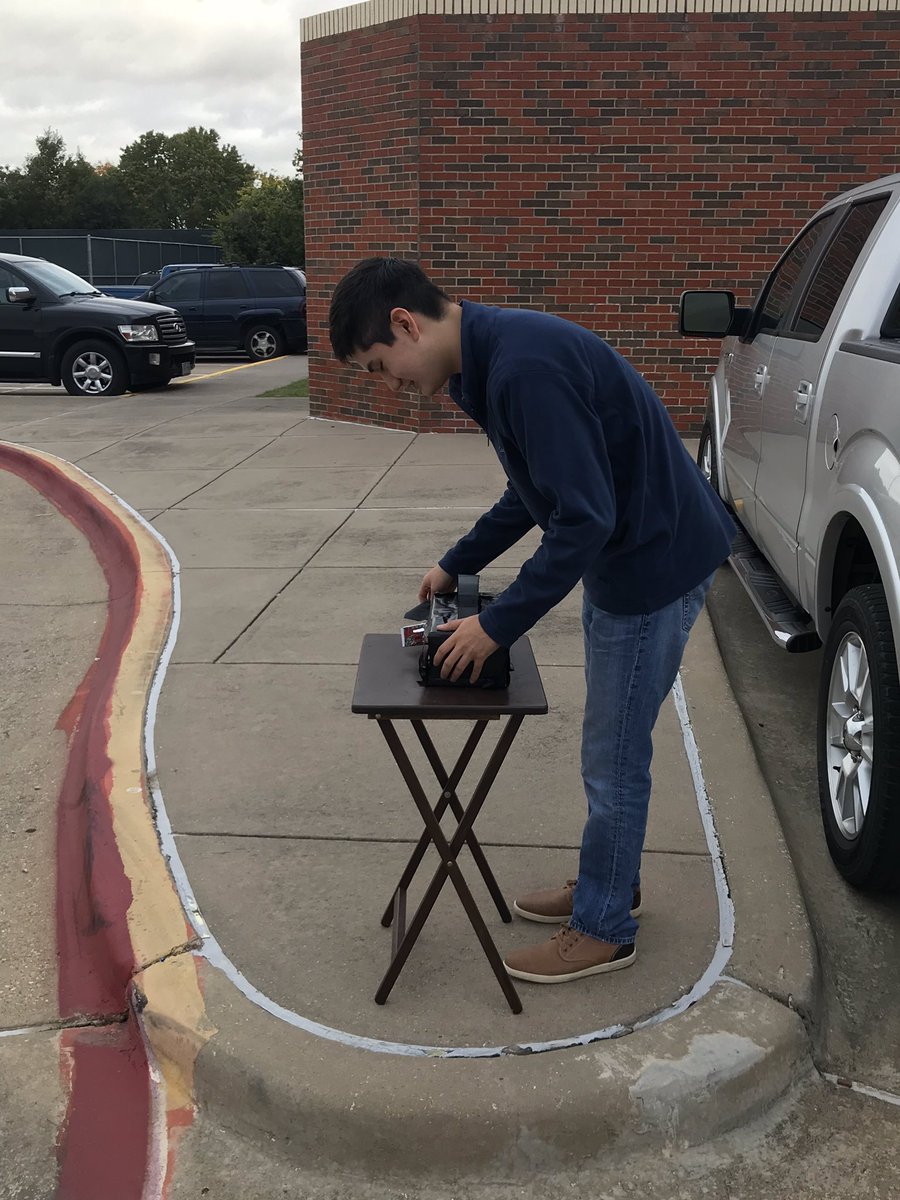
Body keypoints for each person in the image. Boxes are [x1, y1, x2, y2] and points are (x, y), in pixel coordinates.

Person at [329, 257, 735, 985]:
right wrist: (459, 562)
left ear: (404, 323)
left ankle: (605, 926)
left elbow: (583, 519)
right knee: (609, 747)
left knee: (612, 756)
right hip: (636, 553)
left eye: (381, 366)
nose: (392, 387)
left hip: (653, 565)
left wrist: (498, 625)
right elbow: (532, 491)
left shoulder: (522, 370)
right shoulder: (486, 363)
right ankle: (611, 882)